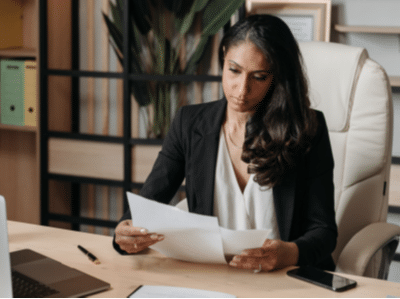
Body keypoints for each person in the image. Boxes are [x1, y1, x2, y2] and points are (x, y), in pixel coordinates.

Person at [113, 14, 337, 272]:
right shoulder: (190, 124)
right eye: (234, 70)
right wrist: (125, 230)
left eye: (259, 77)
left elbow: (324, 232)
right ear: (223, 58)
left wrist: (286, 254)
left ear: (277, 77)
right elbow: (148, 202)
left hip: (284, 277)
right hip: (215, 275)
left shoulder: (307, 128)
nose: (242, 89)